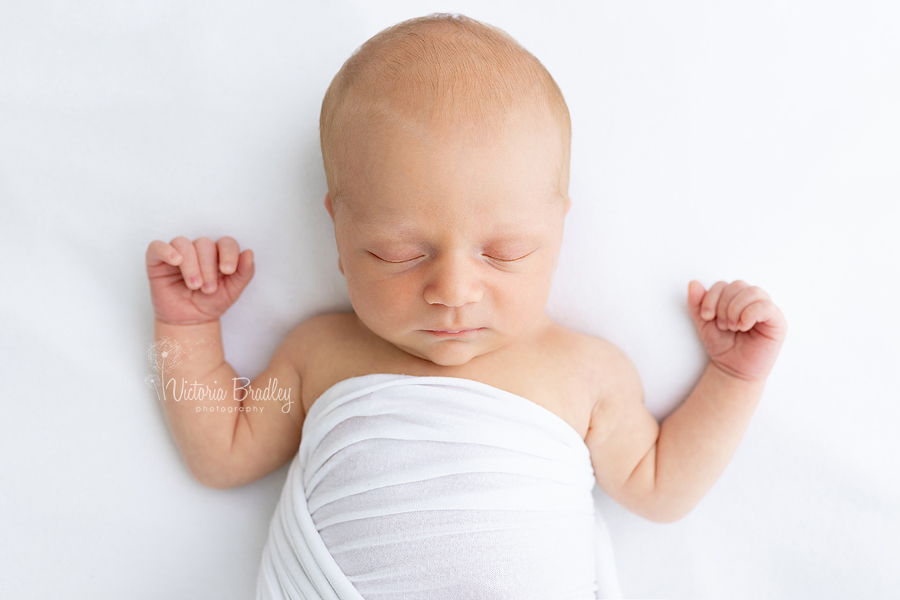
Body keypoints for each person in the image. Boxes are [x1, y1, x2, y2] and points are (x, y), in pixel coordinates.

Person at [144, 13, 787, 600]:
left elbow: (661, 486)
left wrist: (733, 377)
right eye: (396, 254)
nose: (453, 290)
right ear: (339, 232)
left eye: (505, 253)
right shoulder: (320, 353)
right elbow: (222, 453)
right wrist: (189, 327)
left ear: (558, 230)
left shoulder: (583, 371)